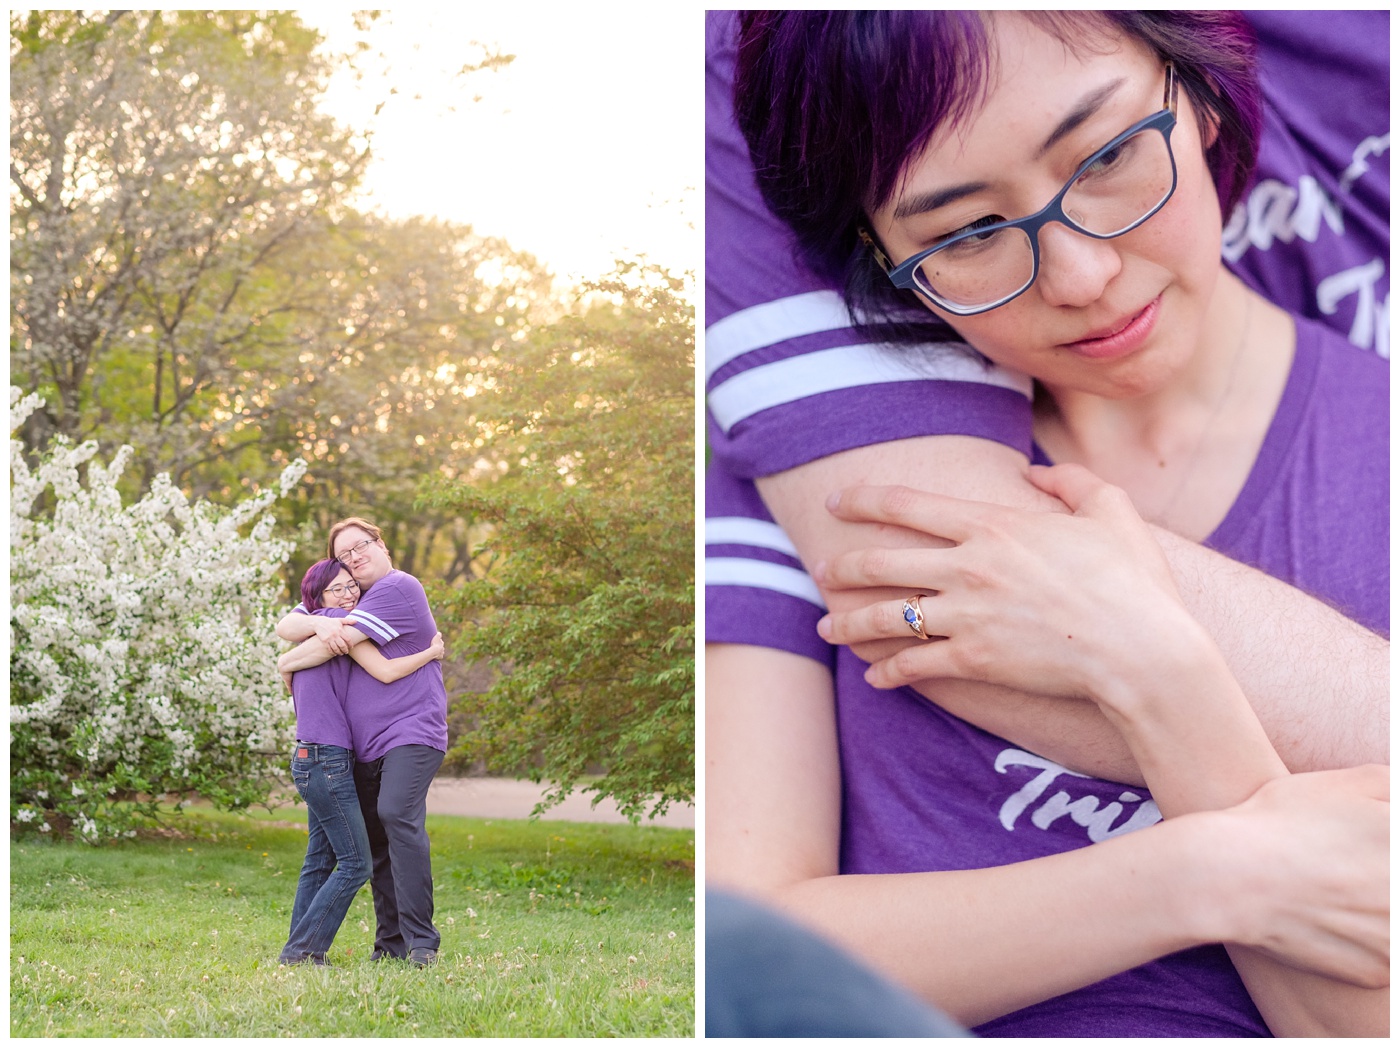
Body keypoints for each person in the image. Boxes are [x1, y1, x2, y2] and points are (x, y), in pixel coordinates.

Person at [705, 11, 1388, 1038]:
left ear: (1198, 93)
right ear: (874, 255)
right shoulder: (817, 500)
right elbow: (734, 957)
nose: (1078, 277)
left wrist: (1157, 666)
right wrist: (1198, 874)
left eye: (1108, 155)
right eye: (965, 233)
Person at [277, 518, 449, 967]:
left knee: (395, 814)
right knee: (373, 841)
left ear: (382, 544)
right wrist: (308, 635)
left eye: (361, 546)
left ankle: (422, 944)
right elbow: (291, 623)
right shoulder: (350, 596)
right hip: (360, 746)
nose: (354, 557)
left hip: (411, 731)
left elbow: (340, 645)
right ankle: (389, 945)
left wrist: (295, 654)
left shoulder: (398, 587)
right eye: (344, 555)